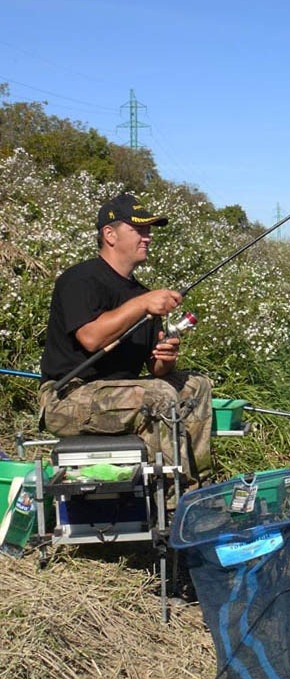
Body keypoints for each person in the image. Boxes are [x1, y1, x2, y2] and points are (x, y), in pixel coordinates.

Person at [38, 193, 213, 484]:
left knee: (196, 386)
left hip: (120, 394)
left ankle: (200, 486)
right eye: (139, 230)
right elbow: (91, 338)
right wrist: (142, 304)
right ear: (110, 234)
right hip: (66, 397)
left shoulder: (142, 295)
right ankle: (171, 500)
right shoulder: (80, 279)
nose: (147, 237)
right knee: (158, 397)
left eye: (149, 231)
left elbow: (155, 371)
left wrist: (165, 358)